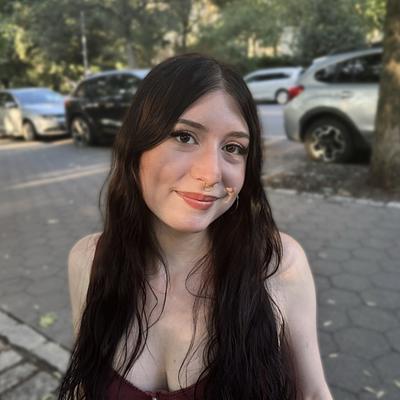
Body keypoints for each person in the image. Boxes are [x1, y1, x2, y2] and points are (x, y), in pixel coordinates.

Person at [58, 53, 333, 400]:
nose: (211, 173)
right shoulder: (87, 260)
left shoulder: (278, 264)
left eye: (233, 147)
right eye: (185, 137)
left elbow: (313, 393)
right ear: (136, 147)